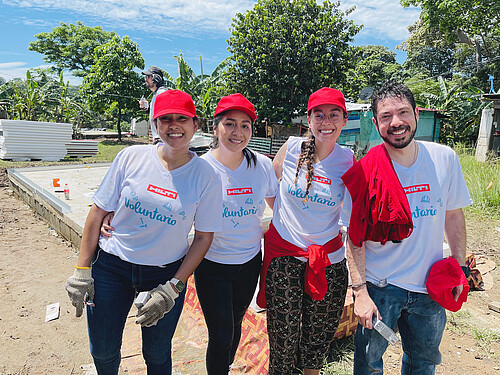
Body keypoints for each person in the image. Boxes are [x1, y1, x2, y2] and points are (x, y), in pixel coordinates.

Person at [65, 90, 222, 375]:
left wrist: (174, 286)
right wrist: (81, 270)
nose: (174, 125)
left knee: (158, 352)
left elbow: (203, 237)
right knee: (103, 348)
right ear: (155, 125)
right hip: (112, 267)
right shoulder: (131, 157)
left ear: (196, 125)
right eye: (165, 119)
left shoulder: (206, 175)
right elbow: (98, 211)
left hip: (164, 274)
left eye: (182, 119)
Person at [343, 81, 472, 374]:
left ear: (415, 114)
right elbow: (354, 237)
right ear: (376, 124)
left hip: (429, 286)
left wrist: (459, 269)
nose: (396, 122)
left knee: (423, 363)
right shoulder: (364, 171)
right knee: (368, 365)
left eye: (403, 112)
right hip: (380, 287)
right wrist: (360, 292)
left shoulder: (444, 158)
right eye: (386, 116)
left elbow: (453, 216)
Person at [257, 87, 354, 375]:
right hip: (285, 257)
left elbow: (351, 213)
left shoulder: (348, 159)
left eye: (334, 114)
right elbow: (271, 187)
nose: (326, 121)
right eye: (319, 115)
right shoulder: (292, 147)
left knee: (317, 337)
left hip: (329, 261)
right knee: (282, 338)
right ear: (308, 120)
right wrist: (286, 221)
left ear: (344, 119)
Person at [194, 93, 279, 374]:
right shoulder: (200, 168)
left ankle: (225, 367)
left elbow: (278, 207)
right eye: (230, 124)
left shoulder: (261, 166)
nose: (237, 132)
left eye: (245, 125)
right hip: (211, 264)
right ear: (215, 126)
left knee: (236, 323)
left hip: (248, 264)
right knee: (220, 334)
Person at [141, 66, 168, 144]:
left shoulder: (162, 93)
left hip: (162, 139)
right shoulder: (156, 94)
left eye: (148, 76)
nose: (145, 79)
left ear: (156, 78)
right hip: (159, 138)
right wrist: (146, 108)